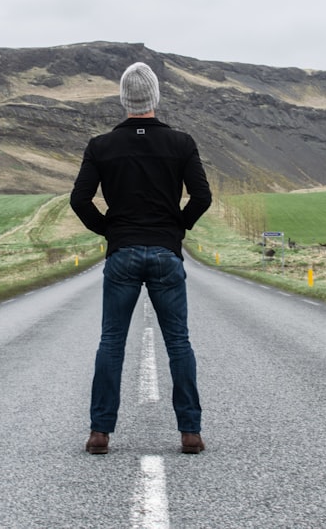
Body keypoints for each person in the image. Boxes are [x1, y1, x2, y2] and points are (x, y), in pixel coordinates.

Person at [70, 61, 212, 455]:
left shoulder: (101, 146)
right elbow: (202, 196)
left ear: (123, 99)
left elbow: (79, 200)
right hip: (166, 253)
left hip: (122, 253)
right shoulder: (181, 143)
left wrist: (110, 231)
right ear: (155, 97)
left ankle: (100, 433)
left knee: (111, 342)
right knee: (178, 343)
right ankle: (190, 432)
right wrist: (176, 229)